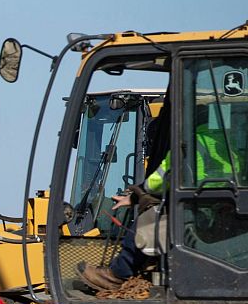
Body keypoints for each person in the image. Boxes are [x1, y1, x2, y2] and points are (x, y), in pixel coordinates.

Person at [80, 103, 234, 291]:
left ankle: (118, 274)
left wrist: (138, 194)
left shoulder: (191, 143)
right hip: (224, 211)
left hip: (200, 212)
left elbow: (158, 181)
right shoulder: (227, 144)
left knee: (149, 220)